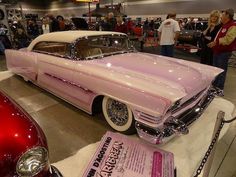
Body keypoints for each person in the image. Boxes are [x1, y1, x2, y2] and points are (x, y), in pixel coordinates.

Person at [208, 8, 236, 91]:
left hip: (224, 52)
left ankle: (219, 88)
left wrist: (216, 42)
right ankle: (215, 85)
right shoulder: (225, 25)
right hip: (217, 51)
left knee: (221, 70)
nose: (221, 16)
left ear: (227, 15)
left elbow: (228, 39)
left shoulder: (233, 26)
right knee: (216, 70)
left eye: (223, 14)